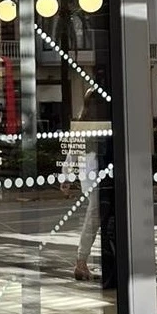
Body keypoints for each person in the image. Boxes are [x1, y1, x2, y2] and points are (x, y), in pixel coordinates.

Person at [62, 89, 108, 281]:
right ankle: (81, 262)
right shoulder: (92, 123)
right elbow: (73, 151)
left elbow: (72, 152)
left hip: (92, 175)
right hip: (94, 175)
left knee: (99, 217)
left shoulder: (86, 121)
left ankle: (85, 261)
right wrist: (65, 176)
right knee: (94, 217)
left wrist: (66, 176)